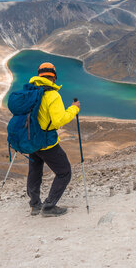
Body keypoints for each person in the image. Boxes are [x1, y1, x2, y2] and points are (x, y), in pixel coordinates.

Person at [27, 62, 81, 217]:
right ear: (54, 77)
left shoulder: (31, 91)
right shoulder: (52, 95)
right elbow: (58, 121)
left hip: (32, 140)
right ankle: (49, 207)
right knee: (64, 172)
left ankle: (35, 205)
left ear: (39, 75)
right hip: (46, 142)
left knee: (35, 171)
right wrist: (73, 109)